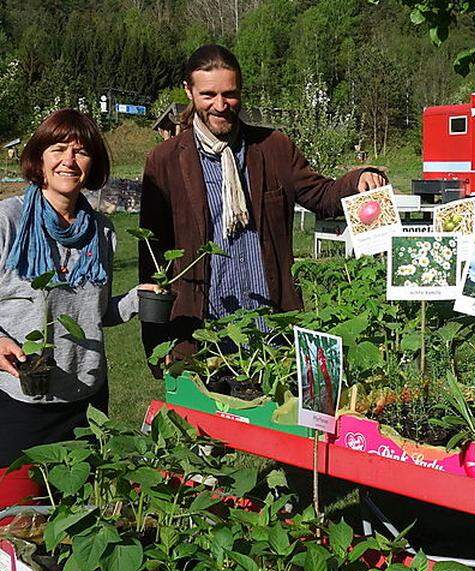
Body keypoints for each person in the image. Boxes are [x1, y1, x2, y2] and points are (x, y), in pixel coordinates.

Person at [0, 109, 155, 571]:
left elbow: (93, 313)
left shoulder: (102, 232)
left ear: (93, 165)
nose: (69, 160)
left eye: (81, 151)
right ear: (38, 160)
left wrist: (134, 300)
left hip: (85, 401)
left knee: (72, 530)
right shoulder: (4, 221)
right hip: (18, 402)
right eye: (57, 149)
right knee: (9, 537)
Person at [139, 44, 389, 365]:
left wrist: (358, 180)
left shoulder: (273, 147)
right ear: (189, 91)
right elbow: (151, 256)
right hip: (203, 336)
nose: (220, 105)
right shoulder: (166, 161)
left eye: (229, 94)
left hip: (272, 332)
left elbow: (321, 196)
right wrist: (159, 342)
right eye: (208, 95)